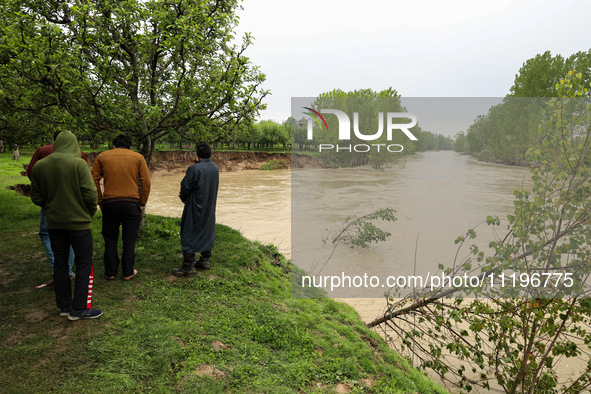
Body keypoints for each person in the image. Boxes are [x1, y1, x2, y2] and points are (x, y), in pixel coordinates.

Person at [30, 131, 102, 320]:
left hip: (54, 223)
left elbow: (36, 197)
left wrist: (51, 206)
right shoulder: (78, 163)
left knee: (61, 263)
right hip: (79, 224)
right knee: (84, 263)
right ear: (74, 144)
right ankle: (80, 309)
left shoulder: (40, 166)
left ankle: (64, 306)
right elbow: (90, 193)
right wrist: (88, 213)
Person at [27, 132, 89, 281]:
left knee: (47, 235)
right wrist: (88, 209)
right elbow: (87, 185)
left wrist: (46, 195)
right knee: (73, 237)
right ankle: (66, 270)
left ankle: (59, 268)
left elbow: (31, 172)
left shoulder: (43, 151)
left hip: (50, 205)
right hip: (75, 207)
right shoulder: (80, 155)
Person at [92, 134, 151, 281]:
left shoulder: (102, 157)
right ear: (130, 146)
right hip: (132, 203)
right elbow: (146, 182)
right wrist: (142, 202)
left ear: (114, 146)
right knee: (129, 239)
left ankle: (110, 273)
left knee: (110, 239)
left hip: (110, 203)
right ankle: (128, 272)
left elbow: (94, 179)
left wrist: (100, 200)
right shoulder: (138, 157)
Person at [172, 142, 219, 276]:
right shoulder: (215, 167)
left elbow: (185, 187)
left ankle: (188, 265)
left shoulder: (194, 168)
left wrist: (185, 199)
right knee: (207, 227)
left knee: (189, 230)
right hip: (209, 204)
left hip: (195, 204)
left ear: (197, 154)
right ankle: (205, 259)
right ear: (210, 154)